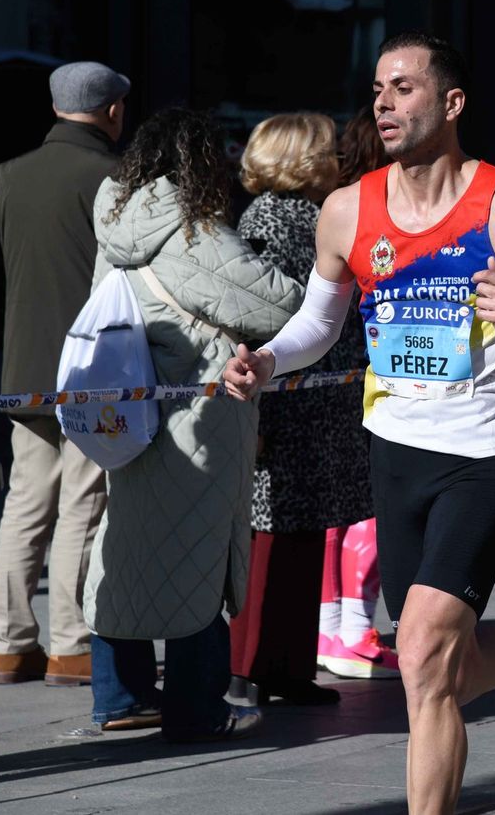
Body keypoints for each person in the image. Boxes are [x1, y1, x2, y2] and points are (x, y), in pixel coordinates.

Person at [222, 31, 495, 814]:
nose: (383, 101)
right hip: (395, 451)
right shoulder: (347, 210)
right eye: (378, 88)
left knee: (421, 650)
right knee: (435, 669)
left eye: (404, 87)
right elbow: (317, 322)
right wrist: (270, 361)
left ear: (451, 103)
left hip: (486, 454)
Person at [81, 108, 304, 740]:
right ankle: (197, 706)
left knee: (123, 549)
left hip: (130, 415)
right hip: (198, 419)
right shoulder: (191, 229)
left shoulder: (115, 220)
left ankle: (119, 696)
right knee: (197, 554)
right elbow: (273, 302)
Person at [0, 61, 125, 687]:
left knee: (26, 504)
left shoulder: (12, 174)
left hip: (26, 368)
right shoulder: (114, 175)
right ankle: (71, 645)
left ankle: (10, 644)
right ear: (113, 111)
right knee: (82, 502)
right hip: (97, 369)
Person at [229, 113, 374, 706]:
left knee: (306, 533)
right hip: (286, 406)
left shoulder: (316, 217)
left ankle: (289, 667)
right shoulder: (266, 220)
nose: (339, 156)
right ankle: (247, 666)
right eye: (328, 149)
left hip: (321, 404)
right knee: (269, 534)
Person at [317, 106, 400, 680]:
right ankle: (352, 628)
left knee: (337, 515)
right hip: (360, 379)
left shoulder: (336, 208)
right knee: (364, 510)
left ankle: (334, 627)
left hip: (334, 379)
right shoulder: (363, 212)